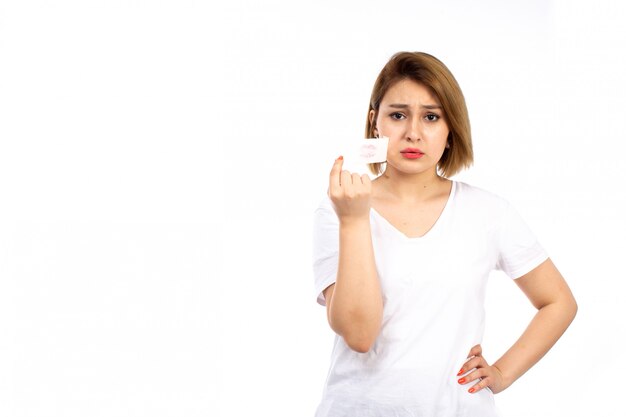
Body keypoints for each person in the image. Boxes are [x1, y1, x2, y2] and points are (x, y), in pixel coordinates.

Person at [311, 51, 578, 417]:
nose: (413, 133)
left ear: (450, 127)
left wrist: (501, 373)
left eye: (432, 117)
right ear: (376, 123)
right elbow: (359, 335)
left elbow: (558, 302)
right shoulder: (338, 209)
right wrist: (355, 220)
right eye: (398, 115)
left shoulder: (488, 212)